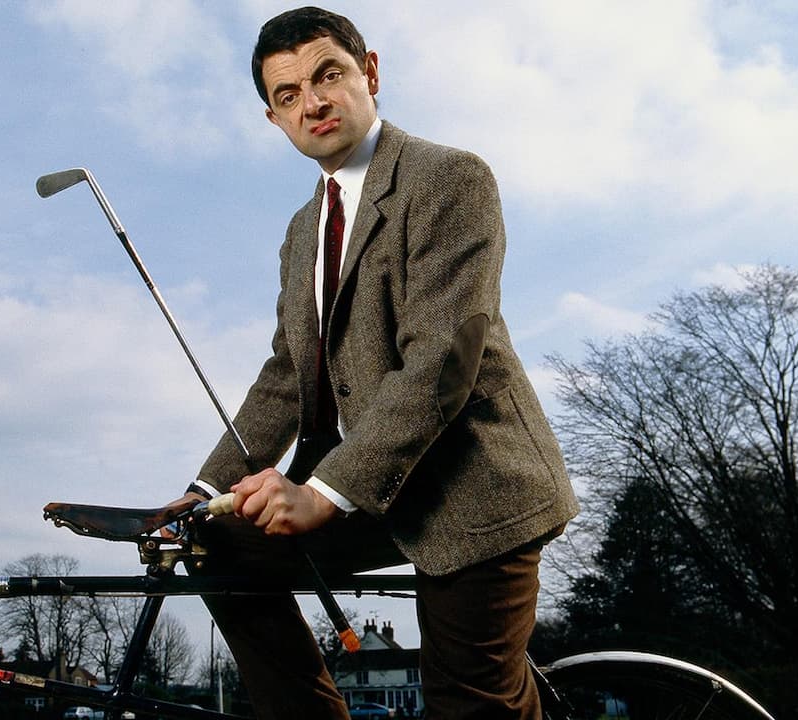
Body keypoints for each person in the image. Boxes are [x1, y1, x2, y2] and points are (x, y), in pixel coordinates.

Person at [176, 7, 580, 719]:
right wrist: (201, 490)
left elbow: (442, 359)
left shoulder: (449, 178)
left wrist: (320, 494)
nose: (313, 103)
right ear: (274, 118)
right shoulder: (303, 231)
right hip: (376, 487)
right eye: (289, 94)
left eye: (327, 75)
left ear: (369, 72)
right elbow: (285, 374)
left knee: (467, 705)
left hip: (472, 486)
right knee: (218, 546)